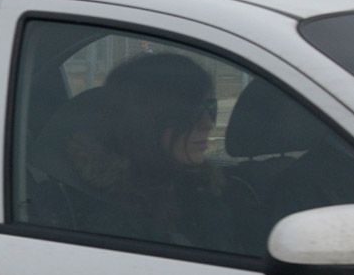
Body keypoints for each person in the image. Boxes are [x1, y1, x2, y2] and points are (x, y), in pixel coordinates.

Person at [60, 52, 247, 249]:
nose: (208, 123)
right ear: (145, 122)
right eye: (190, 112)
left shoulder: (206, 189)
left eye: (210, 107)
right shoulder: (115, 222)